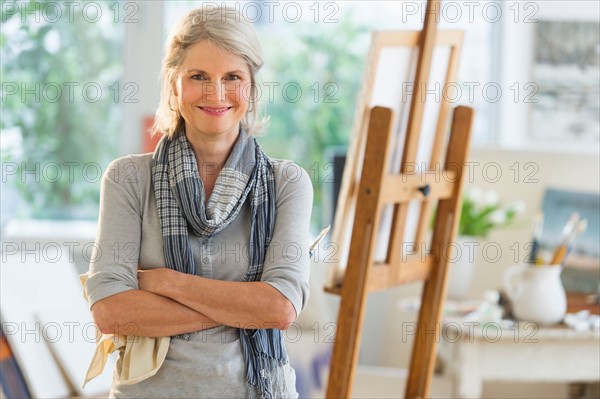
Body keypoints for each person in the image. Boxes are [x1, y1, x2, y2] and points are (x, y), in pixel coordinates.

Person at [85, 6, 313, 398]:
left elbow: (278, 309)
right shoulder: (128, 178)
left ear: (252, 87)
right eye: (198, 77)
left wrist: (166, 283)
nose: (216, 93)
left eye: (232, 77)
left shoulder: (287, 182)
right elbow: (111, 311)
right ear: (174, 84)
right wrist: (243, 309)